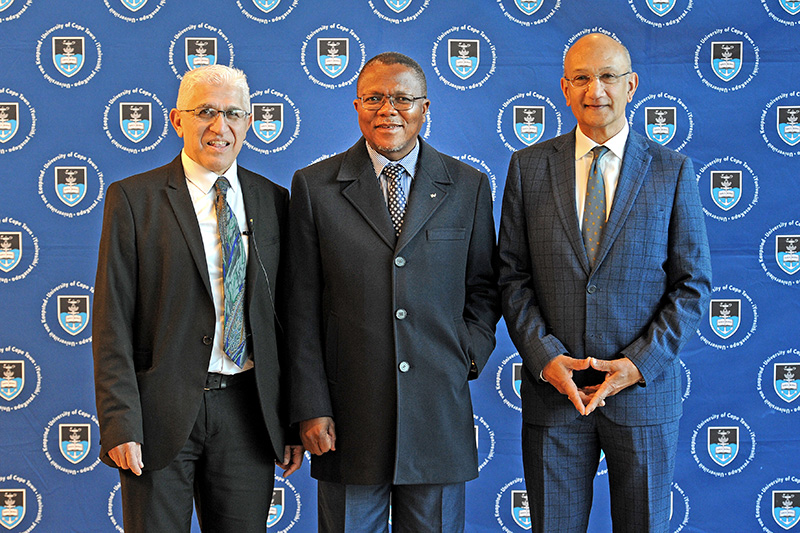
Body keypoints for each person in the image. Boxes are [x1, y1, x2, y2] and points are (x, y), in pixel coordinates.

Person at [498, 33, 712, 532]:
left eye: (609, 76)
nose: (596, 89)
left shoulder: (672, 171)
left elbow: (691, 283)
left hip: (642, 398)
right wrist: (545, 357)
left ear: (631, 85)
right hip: (556, 396)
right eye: (582, 78)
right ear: (565, 89)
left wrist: (637, 366)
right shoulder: (528, 168)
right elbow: (512, 274)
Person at [286, 52, 500, 532]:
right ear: (356, 106)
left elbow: (484, 288)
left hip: (437, 416)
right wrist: (311, 406)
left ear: (426, 108)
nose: (389, 110)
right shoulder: (315, 187)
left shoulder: (467, 186)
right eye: (375, 98)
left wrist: (466, 355)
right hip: (346, 419)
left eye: (403, 98)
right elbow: (299, 308)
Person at [92, 64, 302, 532]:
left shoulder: (274, 202)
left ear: (249, 122)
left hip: (249, 415)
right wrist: (120, 422)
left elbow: (288, 322)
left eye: (233, 113)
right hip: (158, 415)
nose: (219, 126)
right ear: (176, 120)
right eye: (205, 111)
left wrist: (291, 418)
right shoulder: (133, 199)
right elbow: (111, 322)